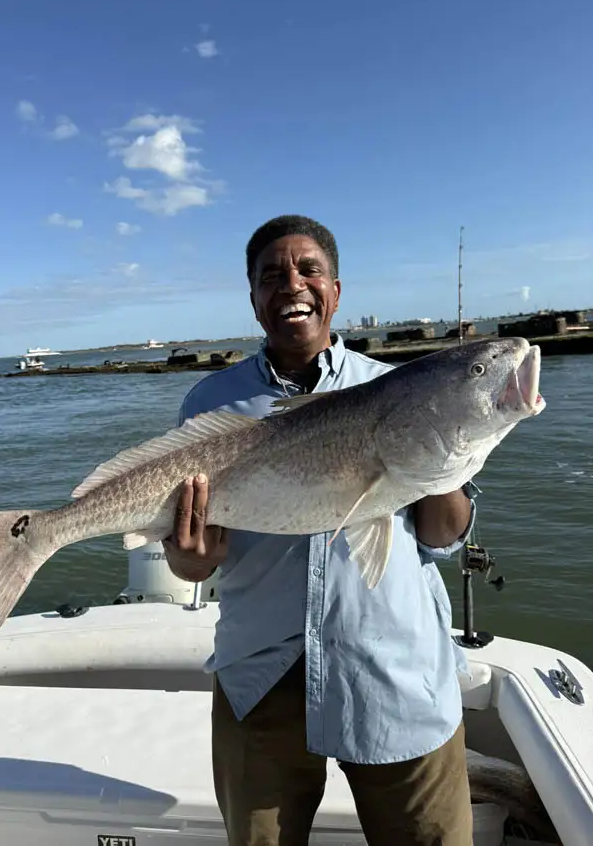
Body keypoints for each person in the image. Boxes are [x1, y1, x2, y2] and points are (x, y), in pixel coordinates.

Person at [162, 215, 476, 846]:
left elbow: (444, 536)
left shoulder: (395, 388)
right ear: (253, 300)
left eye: (309, 270)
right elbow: (192, 565)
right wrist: (191, 559)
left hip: (393, 670)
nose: (291, 286)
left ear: (335, 291)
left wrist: (428, 455)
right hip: (260, 679)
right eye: (270, 276)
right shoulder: (209, 403)